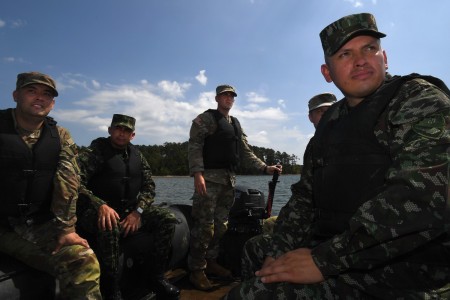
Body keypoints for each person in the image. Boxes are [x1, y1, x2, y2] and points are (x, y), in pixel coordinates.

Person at [225, 12, 450, 299]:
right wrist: (278, 251)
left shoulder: (418, 100)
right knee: (258, 252)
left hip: (414, 269)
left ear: (385, 57)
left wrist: (323, 260)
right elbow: (305, 198)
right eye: (345, 54)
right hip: (345, 247)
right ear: (327, 73)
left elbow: (424, 196)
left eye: (370, 48)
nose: (360, 60)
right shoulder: (330, 123)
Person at [0, 71, 102, 299]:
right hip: (3, 224)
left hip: (36, 223)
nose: (39, 98)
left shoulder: (61, 135)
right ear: (16, 95)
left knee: (83, 261)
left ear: (53, 104)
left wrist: (66, 229)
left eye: (46, 94)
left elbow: (68, 179)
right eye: (31, 91)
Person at [187, 84, 283, 291]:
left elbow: (246, 151)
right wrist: (197, 174)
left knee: (221, 226)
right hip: (208, 180)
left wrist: (265, 167)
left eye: (232, 96)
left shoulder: (235, 124)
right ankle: (196, 270)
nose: (228, 98)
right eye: (225, 95)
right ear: (217, 98)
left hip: (228, 181)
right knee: (205, 227)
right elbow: (194, 145)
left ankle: (211, 262)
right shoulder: (206, 119)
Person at [76, 114, 180, 300]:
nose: (121, 134)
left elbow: (149, 187)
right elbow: (74, 182)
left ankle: (155, 276)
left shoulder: (138, 156)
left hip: (129, 211)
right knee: (110, 224)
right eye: (118, 129)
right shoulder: (94, 152)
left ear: (132, 135)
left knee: (167, 219)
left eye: (126, 131)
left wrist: (137, 212)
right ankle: (112, 289)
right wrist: (100, 205)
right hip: (96, 210)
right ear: (110, 130)